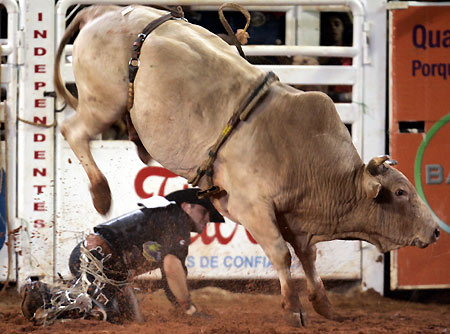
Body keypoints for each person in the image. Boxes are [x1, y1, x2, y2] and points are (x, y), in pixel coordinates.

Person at [20, 188, 224, 325]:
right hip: (98, 260)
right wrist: (188, 308)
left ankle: (69, 296)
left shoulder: (168, 218)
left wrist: (181, 305)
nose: (207, 220)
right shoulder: (177, 218)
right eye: (204, 212)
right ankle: (43, 293)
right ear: (186, 206)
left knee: (130, 318)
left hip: (101, 264)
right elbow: (171, 266)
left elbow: (171, 273)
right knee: (109, 313)